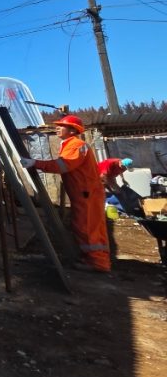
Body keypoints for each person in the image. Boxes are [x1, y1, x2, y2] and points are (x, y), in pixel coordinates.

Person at [21, 115, 110, 272]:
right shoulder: (70, 144)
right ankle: (94, 259)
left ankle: (98, 263)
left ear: (72, 130)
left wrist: (36, 163)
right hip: (85, 193)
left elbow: (63, 165)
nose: (57, 128)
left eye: (61, 126)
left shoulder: (76, 145)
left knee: (87, 227)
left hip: (86, 193)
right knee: (87, 226)